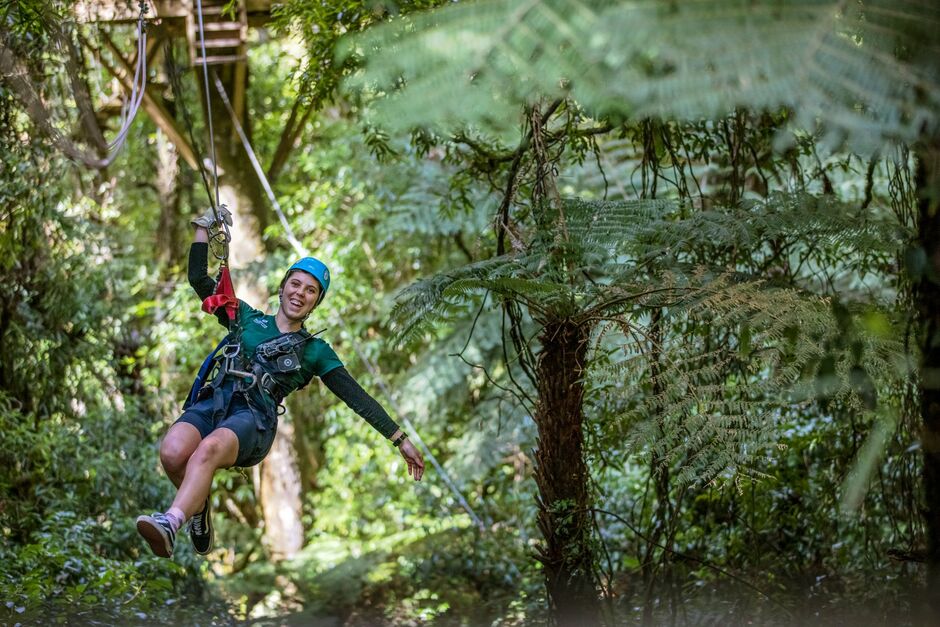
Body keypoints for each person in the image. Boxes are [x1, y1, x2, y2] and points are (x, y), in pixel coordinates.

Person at [136, 207, 425, 558]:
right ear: (283, 286)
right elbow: (199, 279)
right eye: (296, 283)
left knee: (208, 450)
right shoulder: (245, 318)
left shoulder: (315, 351)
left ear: (315, 302)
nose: (300, 293)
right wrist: (202, 227)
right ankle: (197, 509)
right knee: (172, 452)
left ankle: (171, 522)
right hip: (215, 403)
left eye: (311, 290)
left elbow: (356, 396)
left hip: (252, 420)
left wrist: (399, 439)